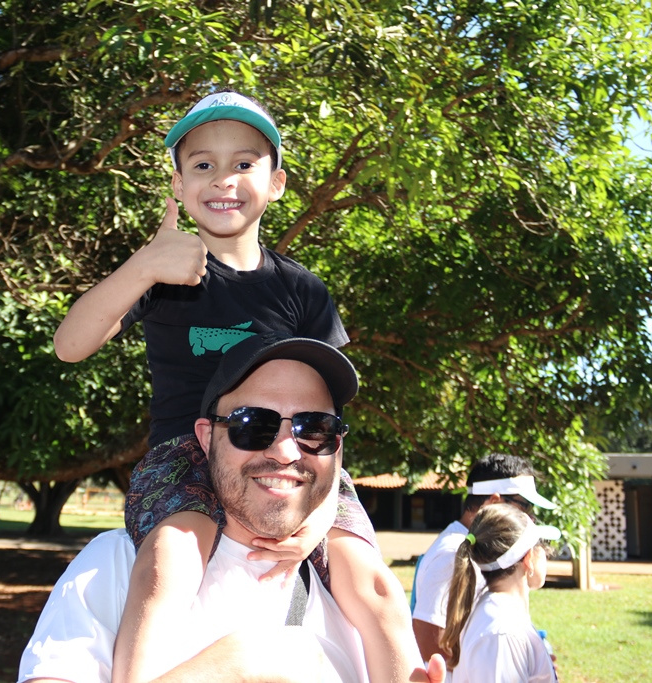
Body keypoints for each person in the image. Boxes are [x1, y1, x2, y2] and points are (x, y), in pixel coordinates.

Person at [54, 88, 418, 682]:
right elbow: (71, 344)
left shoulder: (302, 290)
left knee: (371, 581)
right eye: (203, 165)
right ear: (178, 185)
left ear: (276, 183)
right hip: (183, 452)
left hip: (289, 447)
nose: (223, 179)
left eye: (244, 162)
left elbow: (325, 418)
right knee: (171, 559)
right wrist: (144, 265)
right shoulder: (161, 276)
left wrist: (317, 521)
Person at [19, 334, 445, 682]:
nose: (285, 451)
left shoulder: (353, 598)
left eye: (314, 428)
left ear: (338, 446)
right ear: (206, 438)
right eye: (252, 425)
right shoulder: (116, 567)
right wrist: (240, 663)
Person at [411, 453, 556, 662]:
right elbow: (427, 645)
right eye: (525, 505)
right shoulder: (452, 553)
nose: (531, 517)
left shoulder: (481, 547)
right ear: (494, 501)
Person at [440, 503, 560, 682]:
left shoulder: (500, 618)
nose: (546, 552)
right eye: (541, 544)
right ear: (528, 558)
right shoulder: (501, 632)